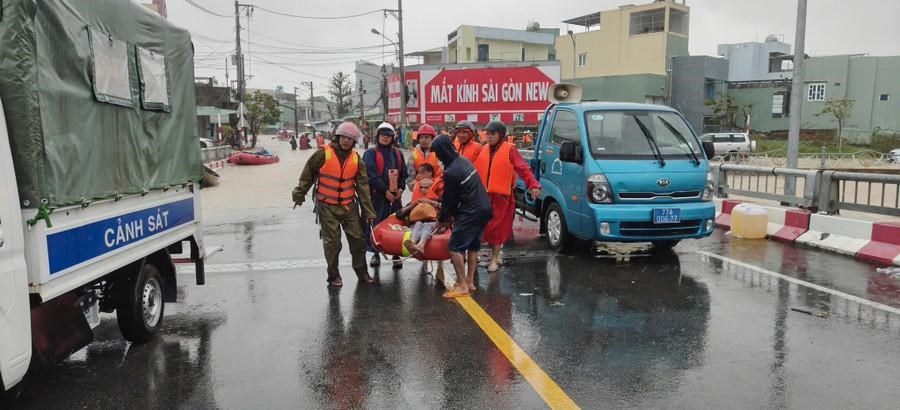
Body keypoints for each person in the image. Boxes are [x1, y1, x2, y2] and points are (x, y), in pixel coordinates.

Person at [292, 122, 376, 288]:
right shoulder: (322, 153)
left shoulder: (356, 159)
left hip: (348, 205)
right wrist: (299, 194)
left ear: (354, 141)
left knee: (358, 239)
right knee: (332, 243)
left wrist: (369, 212)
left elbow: (363, 187)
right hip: (327, 205)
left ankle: (362, 272)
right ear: (337, 137)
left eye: (350, 139)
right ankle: (333, 276)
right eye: (343, 137)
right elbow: (307, 174)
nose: (346, 141)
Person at [474, 120, 541, 272]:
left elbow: (523, 168)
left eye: (493, 134)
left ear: (501, 135)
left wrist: (534, 185)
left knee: (498, 229)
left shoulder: (510, 150)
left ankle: (494, 259)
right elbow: (475, 170)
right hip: (484, 196)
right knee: (482, 227)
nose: (489, 137)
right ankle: (484, 254)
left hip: (501, 197)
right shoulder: (484, 149)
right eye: (487, 134)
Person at [431, 135, 492, 298]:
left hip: (472, 211)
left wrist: (442, 220)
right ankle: (470, 282)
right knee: (473, 245)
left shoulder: (451, 171)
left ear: (442, 152)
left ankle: (462, 285)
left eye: (436, 153)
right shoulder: (464, 162)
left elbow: (449, 200)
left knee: (454, 247)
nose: (436, 157)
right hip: (485, 208)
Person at [363, 122, 409, 268]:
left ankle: (396, 254)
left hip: (396, 197)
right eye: (383, 135)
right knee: (376, 225)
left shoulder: (398, 153)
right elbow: (371, 175)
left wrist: (401, 189)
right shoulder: (370, 154)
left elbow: (404, 173)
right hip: (378, 196)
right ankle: (375, 254)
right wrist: (385, 191)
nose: (385, 138)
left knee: (397, 226)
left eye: (388, 136)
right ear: (378, 136)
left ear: (392, 137)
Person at [399, 164, 443, 254]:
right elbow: (399, 214)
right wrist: (412, 205)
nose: (423, 190)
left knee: (427, 225)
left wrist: (432, 202)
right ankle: (413, 243)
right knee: (418, 224)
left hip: (434, 222)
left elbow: (448, 209)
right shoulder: (417, 200)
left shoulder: (438, 197)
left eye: (426, 188)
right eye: (421, 187)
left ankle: (421, 245)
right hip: (418, 222)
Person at [407, 124, 443, 189]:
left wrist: (433, 183)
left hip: (435, 189)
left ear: (432, 139)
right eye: (421, 137)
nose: (423, 140)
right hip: (418, 190)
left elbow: (441, 174)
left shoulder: (438, 154)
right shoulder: (413, 155)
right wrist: (418, 185)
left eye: (426, 137)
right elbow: (410, 177)